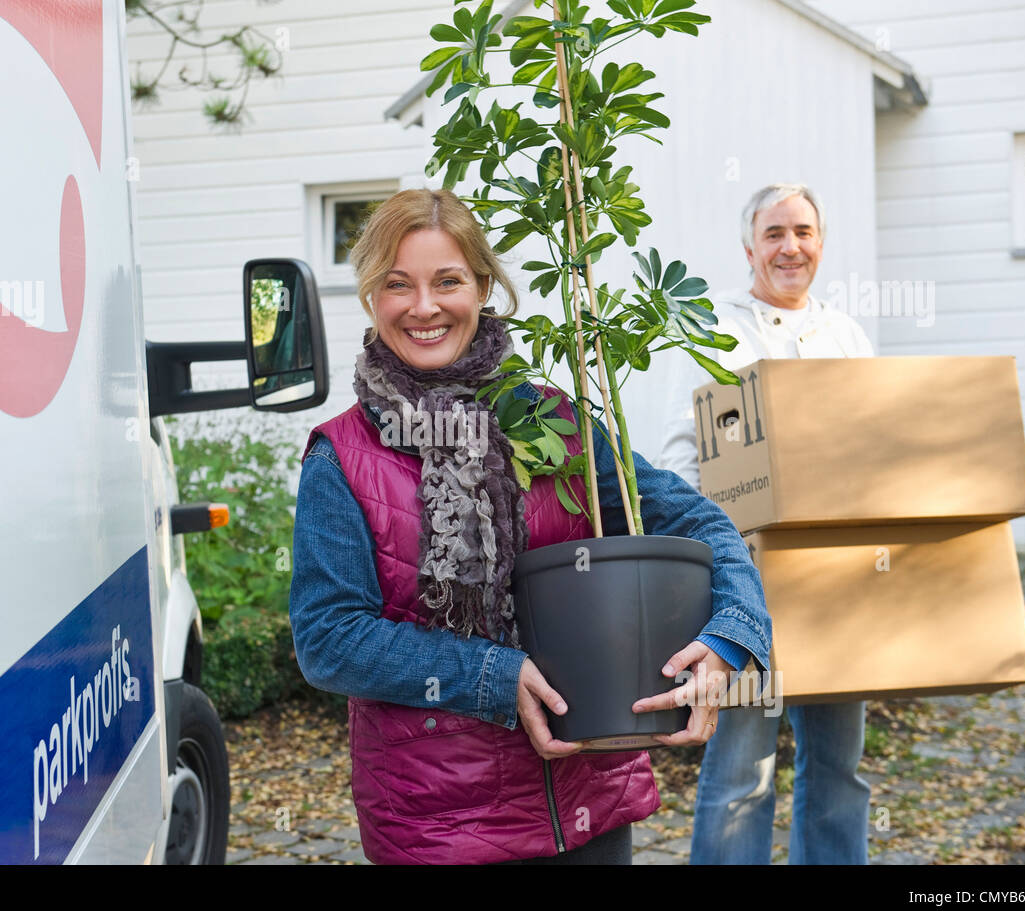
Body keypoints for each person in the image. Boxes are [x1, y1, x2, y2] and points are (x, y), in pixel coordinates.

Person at [288, 188, 772, 865]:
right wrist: (491, 676)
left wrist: (731, 635)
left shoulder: (554, 423)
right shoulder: (342, 456)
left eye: (447, 281)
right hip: (443, 827)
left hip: (589, 803)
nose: (424, 306)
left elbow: (693, 518)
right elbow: (329, 637)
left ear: (483, 286)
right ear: (371, 297)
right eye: (398, 285)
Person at [648, 182, 875, 865]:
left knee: (839, 765)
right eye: (774, 233)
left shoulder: (847, 335)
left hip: (836, 583)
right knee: (743, 766)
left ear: (821, 243)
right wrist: (713, 561)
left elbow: (876, 451)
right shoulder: (715, 331)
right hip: (748, 585)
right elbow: (675, 458)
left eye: (802, 231)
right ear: (749, 246)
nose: (790, 247)